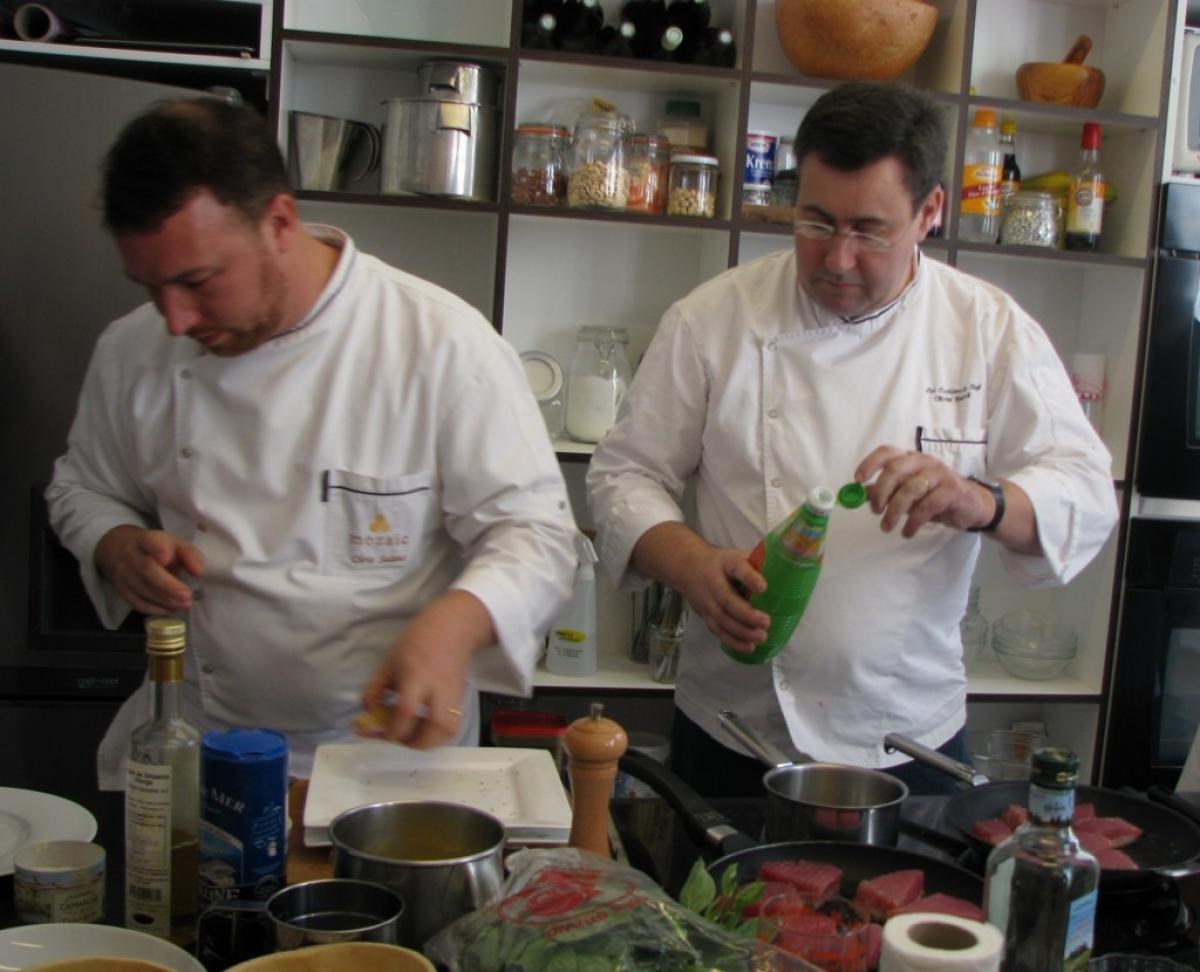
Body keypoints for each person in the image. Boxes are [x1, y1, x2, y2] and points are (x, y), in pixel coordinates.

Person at [586, 82, 1118, 797]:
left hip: (907, 737)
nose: (836, 259)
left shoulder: (987, 330)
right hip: (734, 729)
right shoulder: (715, 319)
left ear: (929, 212)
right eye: (814, 222)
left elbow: (1085, 488)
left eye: (869, 231)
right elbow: (623, 474)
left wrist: (979, 501)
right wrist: (691, 565)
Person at [46, 96, 578, 789]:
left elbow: (538, 536)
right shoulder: (130, 351)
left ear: (279, 222)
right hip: (194, 746)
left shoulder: (440, 344)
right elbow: (80, 486)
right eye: (151, 288)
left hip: (386, 765)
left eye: (198, 281)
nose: (174, 319)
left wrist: (456, 624)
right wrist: (115, 545)